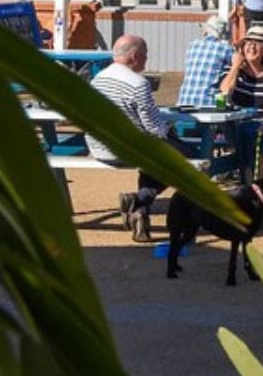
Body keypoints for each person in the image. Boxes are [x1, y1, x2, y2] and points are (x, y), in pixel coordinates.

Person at [92, 34, 180, 243]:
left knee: (156, 159)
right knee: (182, 159)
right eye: (145, 54)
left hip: (98, 147)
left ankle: (140, 211)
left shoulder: (97, 79)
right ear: (134, 56)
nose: (146, 59)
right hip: (128, 149)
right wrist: (169, 128)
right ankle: (139, 202)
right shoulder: (138, 84)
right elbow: (153, 128)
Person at [221, 25, 263, 180]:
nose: (251, 46)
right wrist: (236, 67)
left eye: (257, 43)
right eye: (248, 42)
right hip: (236, 123)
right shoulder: (235, 72)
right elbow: (224, 91)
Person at [176, 15, 233, 107]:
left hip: (184, 99)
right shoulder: (226, 49)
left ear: (206, 31)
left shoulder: (192, 45)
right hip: (208, 102)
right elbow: (237, 65)